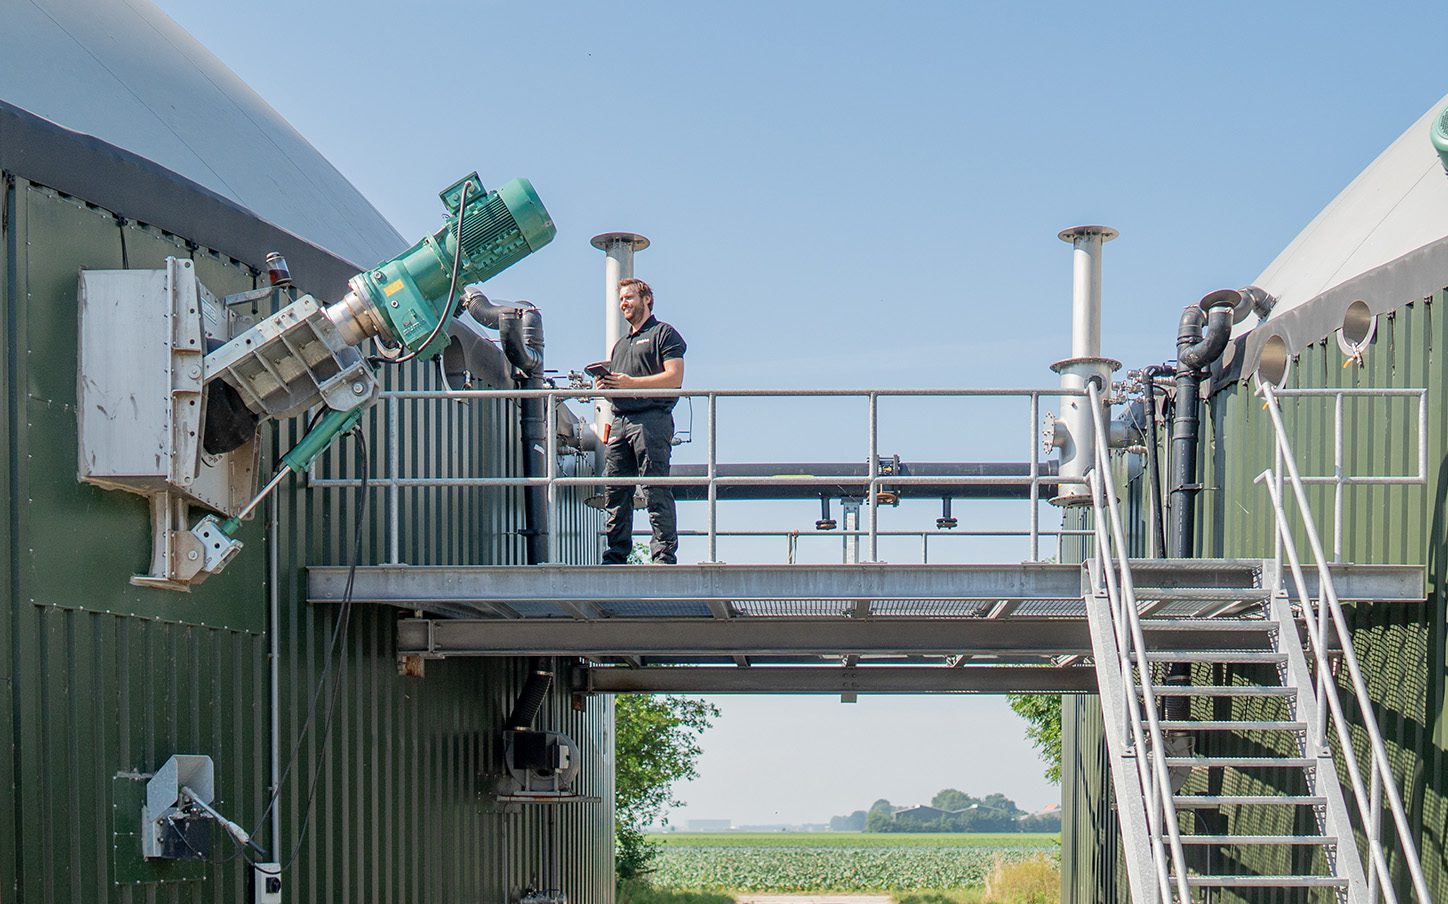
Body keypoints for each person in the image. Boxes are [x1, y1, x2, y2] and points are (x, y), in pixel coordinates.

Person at [596, 278, 687, 564]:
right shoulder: (620, 345)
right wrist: (608, 386)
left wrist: (630, 384)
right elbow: (621, 385)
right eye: (621, 299)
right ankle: (616, 555)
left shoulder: (664, 334)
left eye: (629, 298)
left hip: (651, 420)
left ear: (646, 299)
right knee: (615, 490)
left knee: (654, 487)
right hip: (621, 420)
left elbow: (675, 378)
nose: (624, 303)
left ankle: (663, 555)